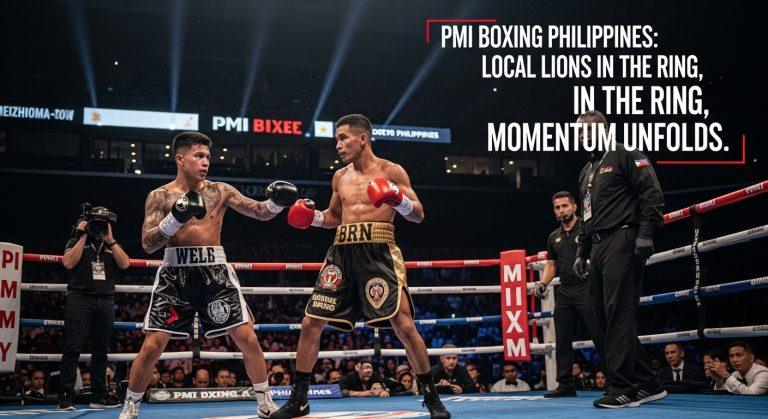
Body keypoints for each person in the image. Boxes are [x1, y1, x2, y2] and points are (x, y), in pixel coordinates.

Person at [272, 114, 450, 418]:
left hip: (379, 251)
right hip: (341, 252)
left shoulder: (391, 170)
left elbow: (418, 213)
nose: (338, 145)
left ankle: (431, 397)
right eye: (337, 140)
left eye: (343, 138)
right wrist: (311, 217)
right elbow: (333, 217)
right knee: (310, 323)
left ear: (362, 138)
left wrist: (396, 198)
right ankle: (299, 400)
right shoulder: (339, 176)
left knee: (404, 327)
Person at [119, 131, 297, 419]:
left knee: (247, 338)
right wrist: (174, 217)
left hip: (215, 272)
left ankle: (265, 402)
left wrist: (277, 202)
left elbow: (261, 212)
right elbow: (148, 243)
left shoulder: (220, 190)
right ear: (180, 158)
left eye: (208, 157)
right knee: (153, 344)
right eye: (198, 156)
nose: (205, 162)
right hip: (175, 273)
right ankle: (131, 406)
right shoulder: (160, 196)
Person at [573, 110, 667, 408]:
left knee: (619, 315)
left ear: (604, 129)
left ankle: (623, 388)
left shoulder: (626, 154)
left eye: (588, 130)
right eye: (579, 132)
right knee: (601, 319)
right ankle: (649, 384)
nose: (583, 136)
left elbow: (651, 195)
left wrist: (646, 234)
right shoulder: (587, 170)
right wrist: (582, 251)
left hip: (623, 240)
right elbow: (588, 215)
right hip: (598, 246)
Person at [59, 204, 130, 411]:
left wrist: (112, 240)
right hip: (80, 299)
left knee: (101, 351)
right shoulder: (77, 240)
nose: (98, 229)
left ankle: (99, 395)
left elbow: (125, 263)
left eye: (102, 225)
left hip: (105, 300)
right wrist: (82, 236)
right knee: (72, 348)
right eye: (96, 225)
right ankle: (65, 397)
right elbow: (68, 263)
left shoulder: (110, 245)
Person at [536, 191, 603, 398]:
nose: (561, 210)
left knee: (600, 334)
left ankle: (616, 380)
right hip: (564, 290)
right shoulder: (553, 236)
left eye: (565, 206)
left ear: (574, 207)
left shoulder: (587, 228)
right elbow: (550, 264)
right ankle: (565, 384)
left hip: (587, 287)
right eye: (557, 207)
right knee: (562, 339)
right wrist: (543, 283)